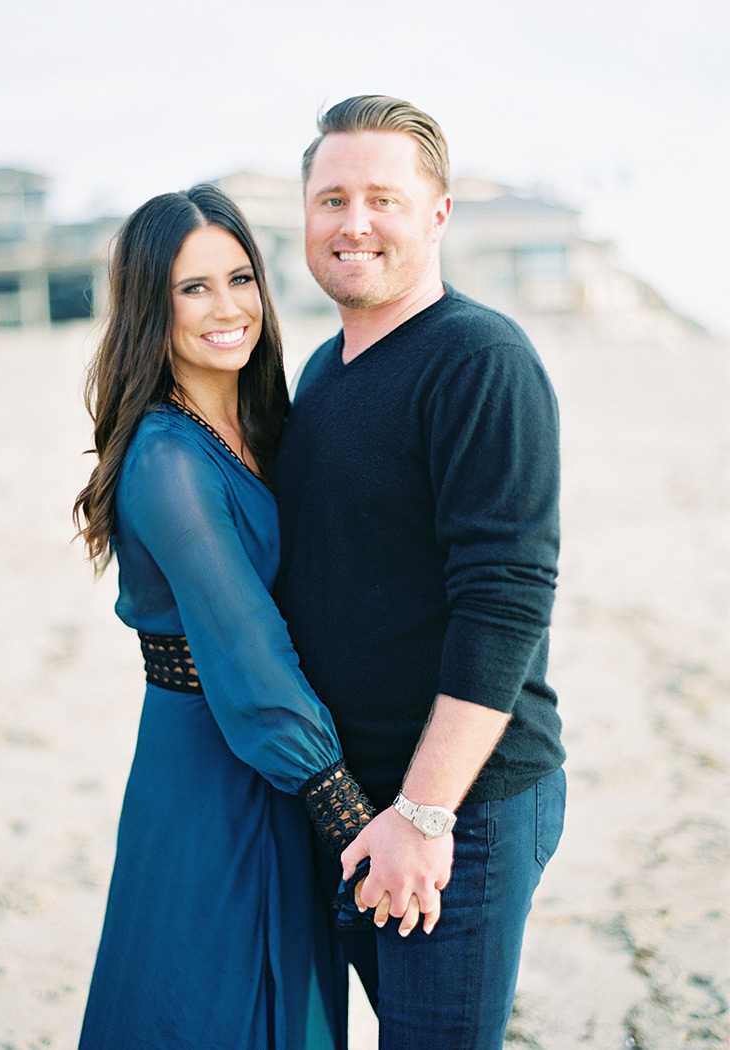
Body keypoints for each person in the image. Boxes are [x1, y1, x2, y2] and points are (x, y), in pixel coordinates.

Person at [72, 183, 405, 1050]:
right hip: (212, 764)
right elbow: (246, 647)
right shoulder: (165, 458)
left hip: (281, 751)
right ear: (154, 308)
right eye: (194, 289)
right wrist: (344, 807)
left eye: (240, 279)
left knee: (287, 997)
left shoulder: (266, 418)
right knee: (204, 998)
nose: (228, 309)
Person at [273, 95, 567, 1049]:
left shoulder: (479, 360)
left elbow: (507, 595)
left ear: (436, 216)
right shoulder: (322, 372)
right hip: (346, 797)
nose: (353, 223)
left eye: (383, 199)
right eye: (331, 199)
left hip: (457, 809)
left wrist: (424, 813)